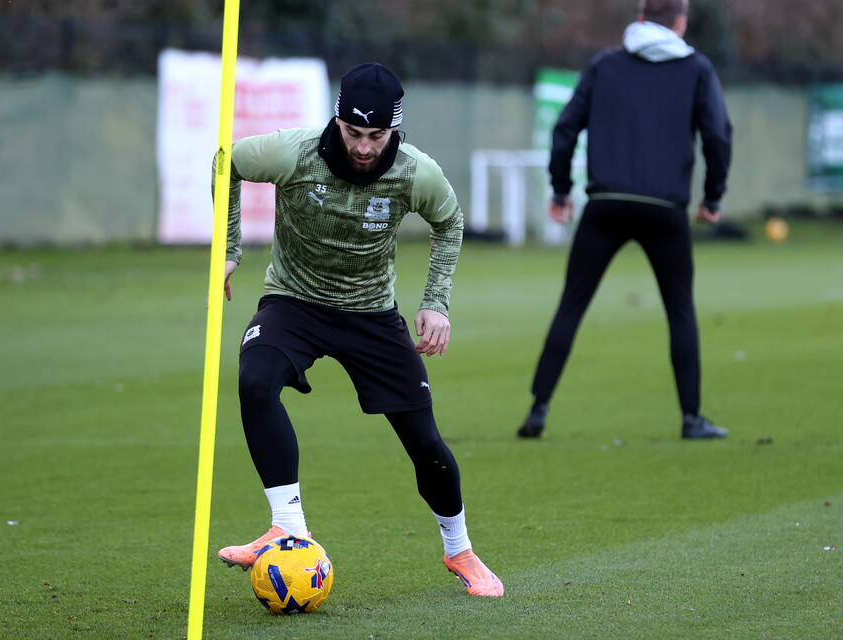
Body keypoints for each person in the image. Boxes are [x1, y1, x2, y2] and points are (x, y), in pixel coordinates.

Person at [215, 62, 503, 597]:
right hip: (294, 302)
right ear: (337, 121)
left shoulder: (416, 172)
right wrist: (228, 249)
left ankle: (459, 550)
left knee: (425, 441)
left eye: (377, 136)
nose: (365, 147)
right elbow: (225, 162)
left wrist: (436, 302)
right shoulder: (291, 152)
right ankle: (288, 529)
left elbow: (450, 221)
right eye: (353, 133)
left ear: (394, 129)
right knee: (255, 381)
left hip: (371, 313)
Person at [517, 0, 733, 440]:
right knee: (680, 309)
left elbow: (566, 128)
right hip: (665, 209)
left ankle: (538, 410)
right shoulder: (697, 68)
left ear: (639, 18)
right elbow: (717, 134)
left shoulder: (604, 65)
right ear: (680, 21)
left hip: (606, 203)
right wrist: (712, 196)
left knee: (572, 304)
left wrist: (560, 189)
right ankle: (691, 418)